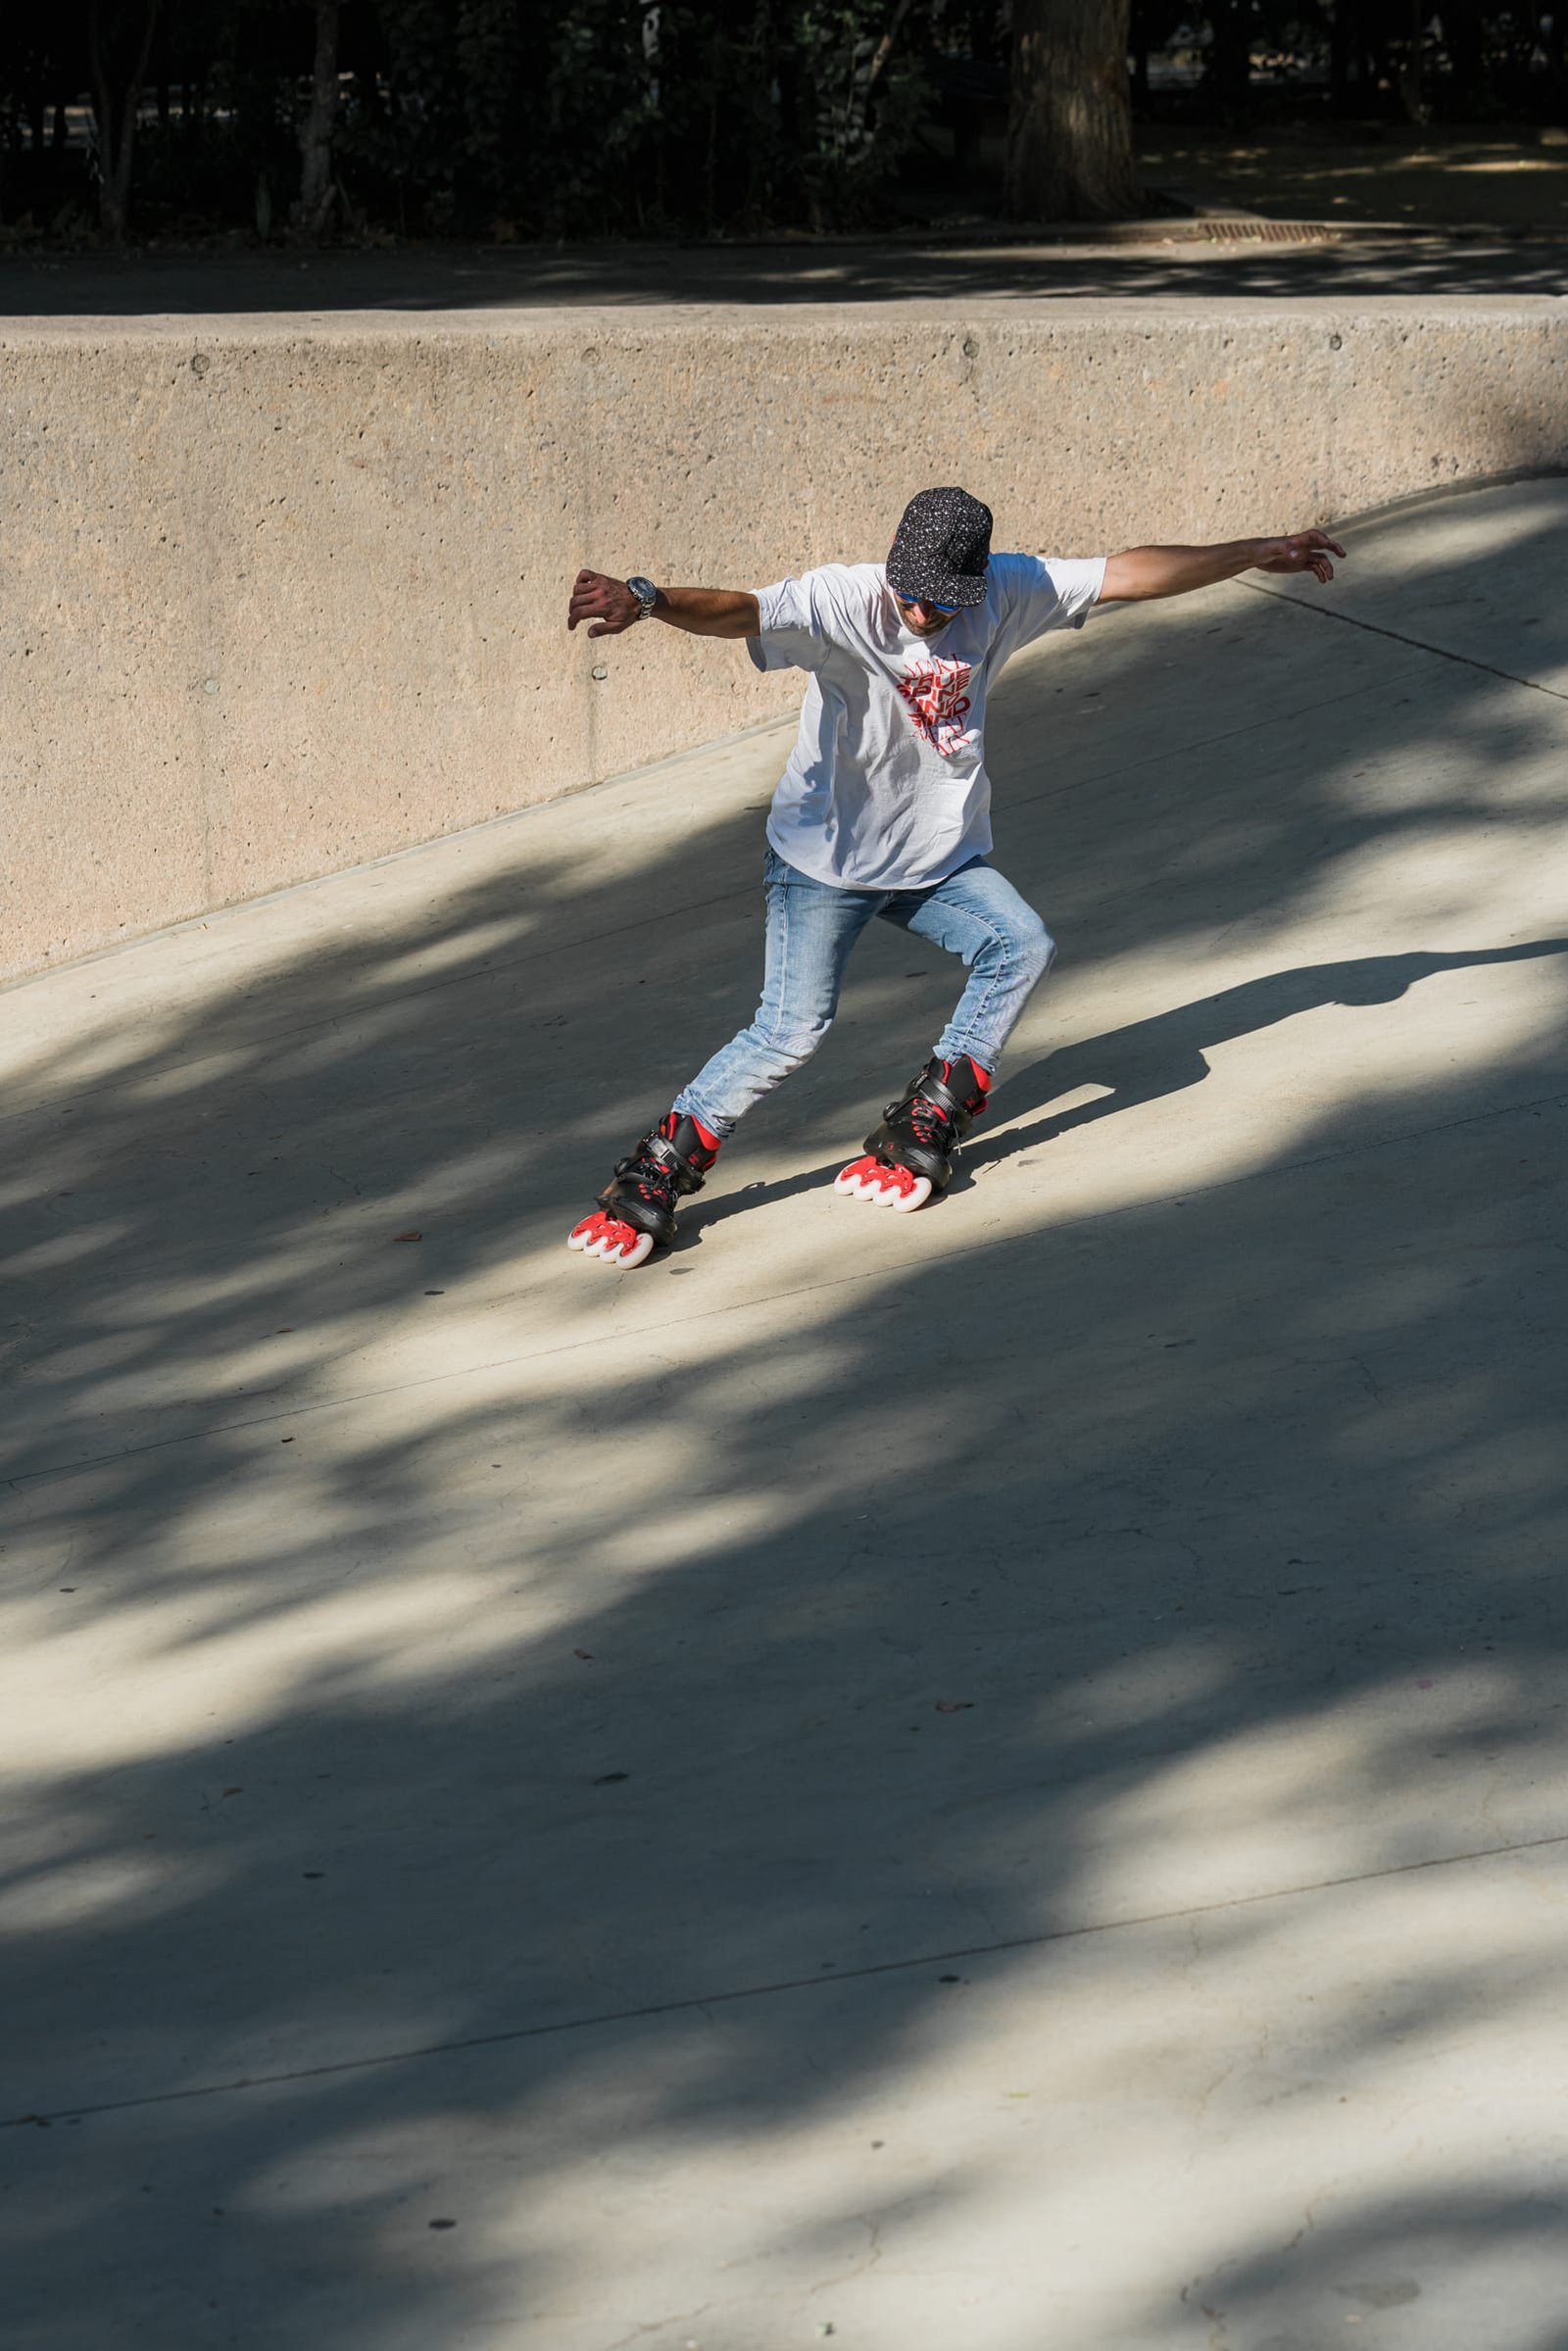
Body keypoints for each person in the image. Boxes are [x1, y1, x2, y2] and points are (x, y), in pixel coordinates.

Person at [564, 487, 1344, 1269]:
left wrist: (1255, 550)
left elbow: (1128, 572)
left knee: (1021, 945)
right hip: (824, 864)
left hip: (936, 860)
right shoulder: (844, 597)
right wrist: (649, 598)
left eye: (943, 602)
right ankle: (658, 1167)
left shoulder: (1009, 588)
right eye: (913, 594)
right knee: (790, 1030)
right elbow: (742, 611)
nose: (923, 613)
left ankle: (928, 1116)